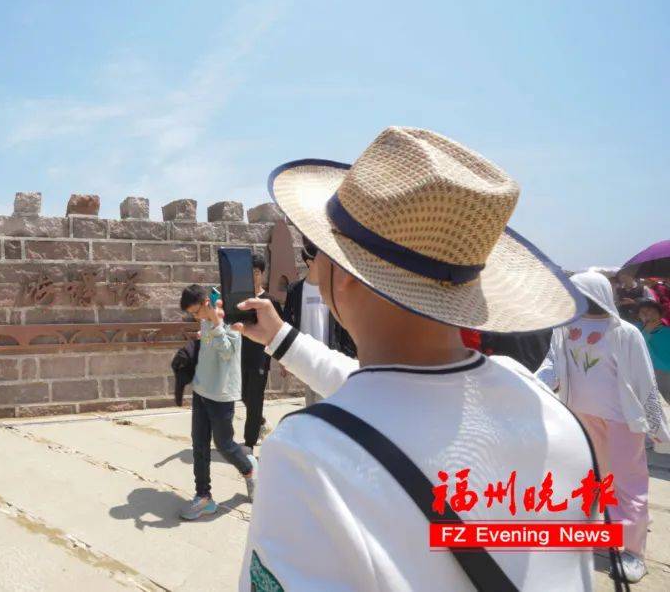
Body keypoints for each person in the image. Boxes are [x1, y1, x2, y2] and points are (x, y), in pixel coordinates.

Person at [232, 127, 597, 590]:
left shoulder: (308, 456)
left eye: (314, 251)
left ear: (345, 272)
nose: (312, 267)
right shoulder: (541, 404)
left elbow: (378, 407)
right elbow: (385, 398)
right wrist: (281, 337)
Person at [536, 271, 670, 582]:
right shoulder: (565, 328)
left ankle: (633, 551)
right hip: (580, 415)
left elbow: (644, 380)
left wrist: (656, 425)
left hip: (621, 420)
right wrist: (534, 383)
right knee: (591, 478)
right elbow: (553, 365)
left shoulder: (625, 332)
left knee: (629, 483)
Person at [178, 284, 257, 520]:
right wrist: (205, 332)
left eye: (195, 312)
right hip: (201, 390)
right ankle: (204, 497)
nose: (196, 317)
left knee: (224, 444)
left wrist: (216, 324)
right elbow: (209, 347)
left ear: (205, 304)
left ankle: (248, 469)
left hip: (221, 394)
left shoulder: (230, 318)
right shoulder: (205, 320)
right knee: (199, 444)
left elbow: (228, 353)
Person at [281, 239, 354, 405]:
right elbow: (287, 323)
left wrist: (348, 353)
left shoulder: (332, 289)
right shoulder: (295, 290)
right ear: (309, 262)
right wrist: (284, 357)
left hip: (328, 355)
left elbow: (343, 324)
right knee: (311, 403)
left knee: (326, 404)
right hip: (305, 355)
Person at [239, 252, 283, 455]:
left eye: (256, 272)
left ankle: (249, 443)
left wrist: (283, 361)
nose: (253, 276)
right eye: (250, 272)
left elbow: (281, 331)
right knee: (243, 395)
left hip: (260, 357)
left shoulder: (270, 301)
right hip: (242, 355)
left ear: (262, 273)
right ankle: (262, 423)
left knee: (255, 398)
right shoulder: (242, 299)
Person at [636, 298, 670, 404]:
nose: (649, 316)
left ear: (660, 316)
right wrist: (646, 332)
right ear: (638, 316)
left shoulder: (667, 332)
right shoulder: (634, 330)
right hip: (643, 371)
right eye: (644, 313)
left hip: (663, 373)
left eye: (653, 312)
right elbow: (637, 348)